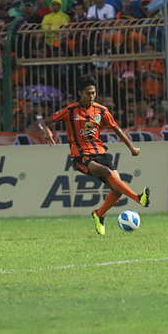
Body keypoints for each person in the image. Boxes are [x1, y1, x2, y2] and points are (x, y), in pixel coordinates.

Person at [38, 74, 150, 235]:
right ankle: (138, 198)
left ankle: (99, 214)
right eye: (87, 93)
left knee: (117, 190)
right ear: (80, 93)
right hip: (80, 156)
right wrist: (46, 131)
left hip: (100, 153)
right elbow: (43, 122)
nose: (91, 96)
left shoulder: (101, 110)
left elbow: (116, 129)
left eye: (93, 93)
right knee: (107, 172)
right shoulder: (70, 111)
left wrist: (132, 148)